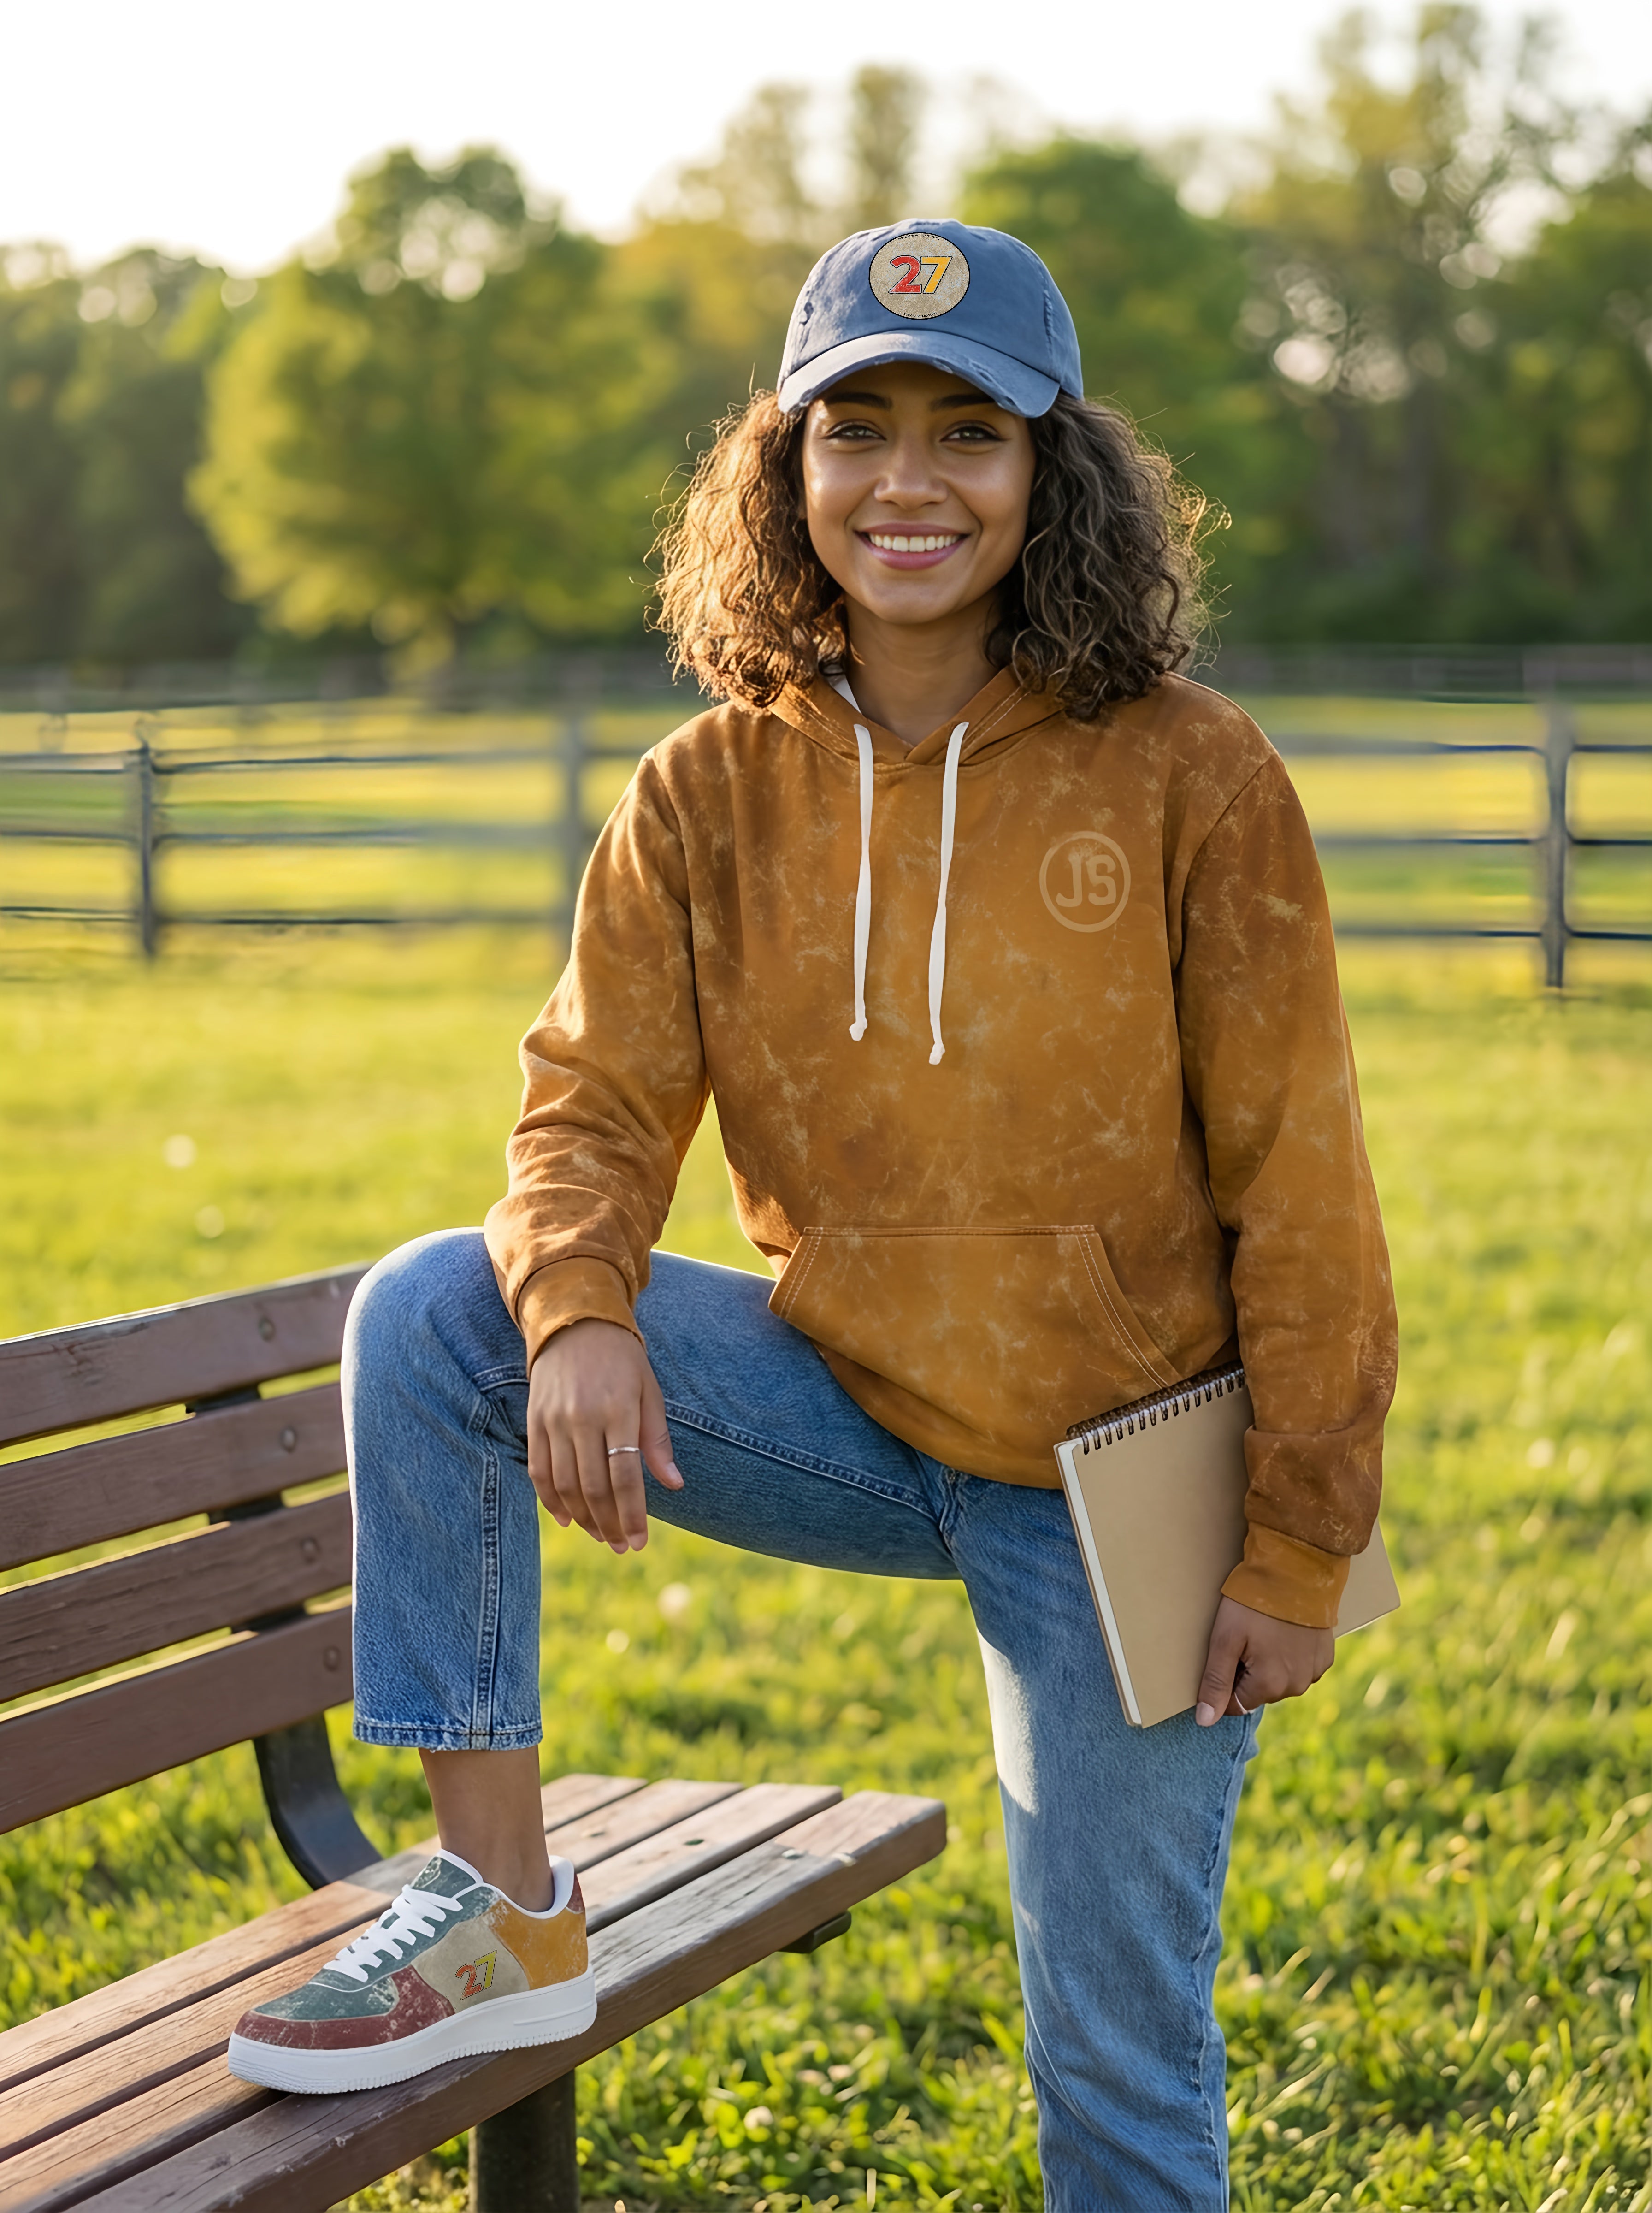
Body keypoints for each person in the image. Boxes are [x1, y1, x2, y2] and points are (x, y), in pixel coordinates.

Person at [230, 219, 1396, 2206]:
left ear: (1052, 476)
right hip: (836, 1410)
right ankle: (498, 1906)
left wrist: (1296, 1546)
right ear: (784, 470)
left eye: (969, 432)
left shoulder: (1193, 776)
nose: (908, 485)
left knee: (1115, 2053)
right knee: (441, 1313)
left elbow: (1302, 1179)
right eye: (854, 432)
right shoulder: (701, 789)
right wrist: (584, 1306)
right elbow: (588, 1098)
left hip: (1115, 1471)